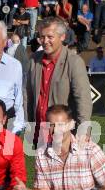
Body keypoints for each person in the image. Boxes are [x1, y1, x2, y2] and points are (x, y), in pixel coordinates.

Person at [27, 17, 92, 145]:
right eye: (42, 37)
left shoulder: (74, 61)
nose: (45, 41)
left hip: (64, 137)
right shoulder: (33, 60)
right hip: (39, 135)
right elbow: (27, 95)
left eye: (50, 37)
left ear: (62, 37)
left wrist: (83, 131)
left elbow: (83, 99)